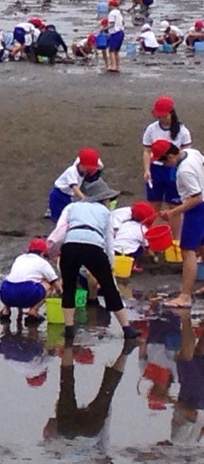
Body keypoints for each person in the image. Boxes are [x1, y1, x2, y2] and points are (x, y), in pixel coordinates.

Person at [46, 196, 141, 340]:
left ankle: (69, 329)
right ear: (103, 199)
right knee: (109, 287)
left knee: (69, 288)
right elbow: (109, 240)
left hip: (71, 244)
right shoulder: (105, 211)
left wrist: (56, 253)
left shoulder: (72, 207)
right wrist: (110, 265)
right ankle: (127, 328)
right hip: (94, 246)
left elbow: (60, 230)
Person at [151, 141, 204, 309]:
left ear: (172, 156)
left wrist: (173, 212)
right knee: (202, 246)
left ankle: (185, 295)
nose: (165, 165)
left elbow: (195, 198)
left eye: (165, 162)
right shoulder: (193, 152)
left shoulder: (184, 171)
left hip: (197, 209)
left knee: (188, 250)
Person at [144, 96, 192, 248]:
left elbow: (186, 154)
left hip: (174, 170)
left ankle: (175, 240)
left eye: (163, 116)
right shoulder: (152, 129)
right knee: (153, 205)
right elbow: (146, 151)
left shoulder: (183, 132)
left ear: (171, 113)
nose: (161, 119)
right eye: (158, 116)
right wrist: (146, 170)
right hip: (156, 168)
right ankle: (151, 240)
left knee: (174, 206)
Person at [0, 238, 62, 324]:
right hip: (26, 292)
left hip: (5, 293)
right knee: (48, 285)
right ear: (42, 253)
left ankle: (6, 310)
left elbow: (18, 278)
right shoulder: (42, 262)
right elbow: (54, 282)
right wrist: (61, 293)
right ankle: (33, 311)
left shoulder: (19, 258)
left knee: (13, 282)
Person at [49, 148, 102, 220]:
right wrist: (85, 199)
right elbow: (75, 187)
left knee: (67, 215)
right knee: (60, 219)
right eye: (88, 168)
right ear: (82, 165)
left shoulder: (82, 168)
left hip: (68, 196)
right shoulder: (72, 171)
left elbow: (99, 165)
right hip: (59, 195)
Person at [106, 0, 125, 72]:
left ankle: (113, 66)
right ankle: (117, 66)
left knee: (111, 51)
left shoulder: (112, 13)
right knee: (116, 51)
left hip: (115, 33)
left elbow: (111, 23)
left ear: (111, 5)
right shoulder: (119, 13)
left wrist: (104, 28)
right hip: (121, 32)